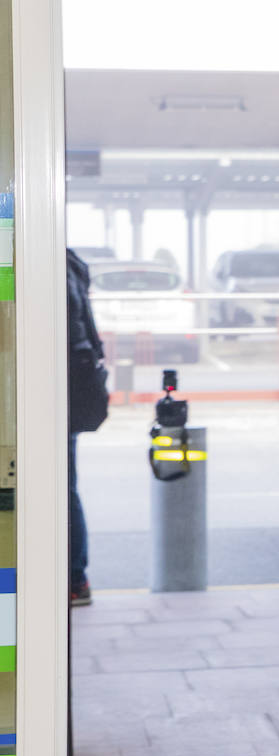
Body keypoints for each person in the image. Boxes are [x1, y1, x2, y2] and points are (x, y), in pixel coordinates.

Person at [67, 248, 108, 607]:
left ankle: (74, 579)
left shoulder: (50, 264)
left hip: (56, 393)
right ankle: (75, 578)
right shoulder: (68, 263)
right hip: (71, 389)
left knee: (62, 489)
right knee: (65, 487)